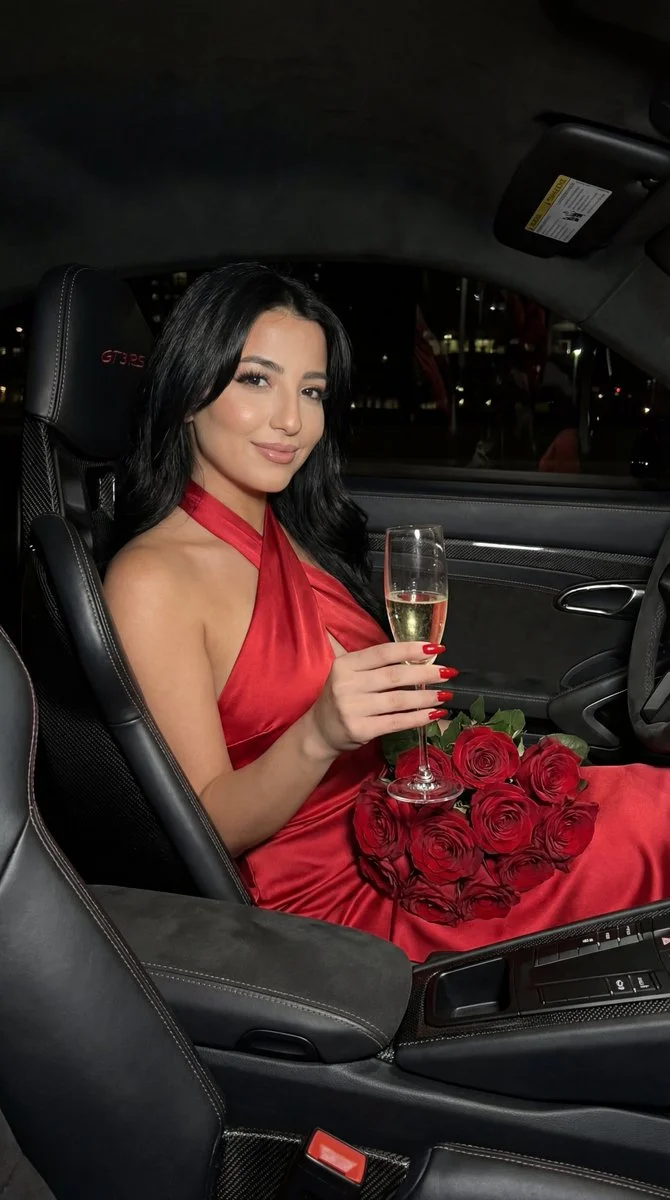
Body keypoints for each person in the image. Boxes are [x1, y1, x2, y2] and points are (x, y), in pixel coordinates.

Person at [106, 264, 670, 962]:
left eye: (311, 390)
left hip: (405, 824)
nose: (293, 419)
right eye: (257, 380)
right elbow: (205, 827)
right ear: (190, 390)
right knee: (655, 827)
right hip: (332, 898)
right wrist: (319, 733)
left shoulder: (291, 531)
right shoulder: (152, 578)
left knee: (644, 799)